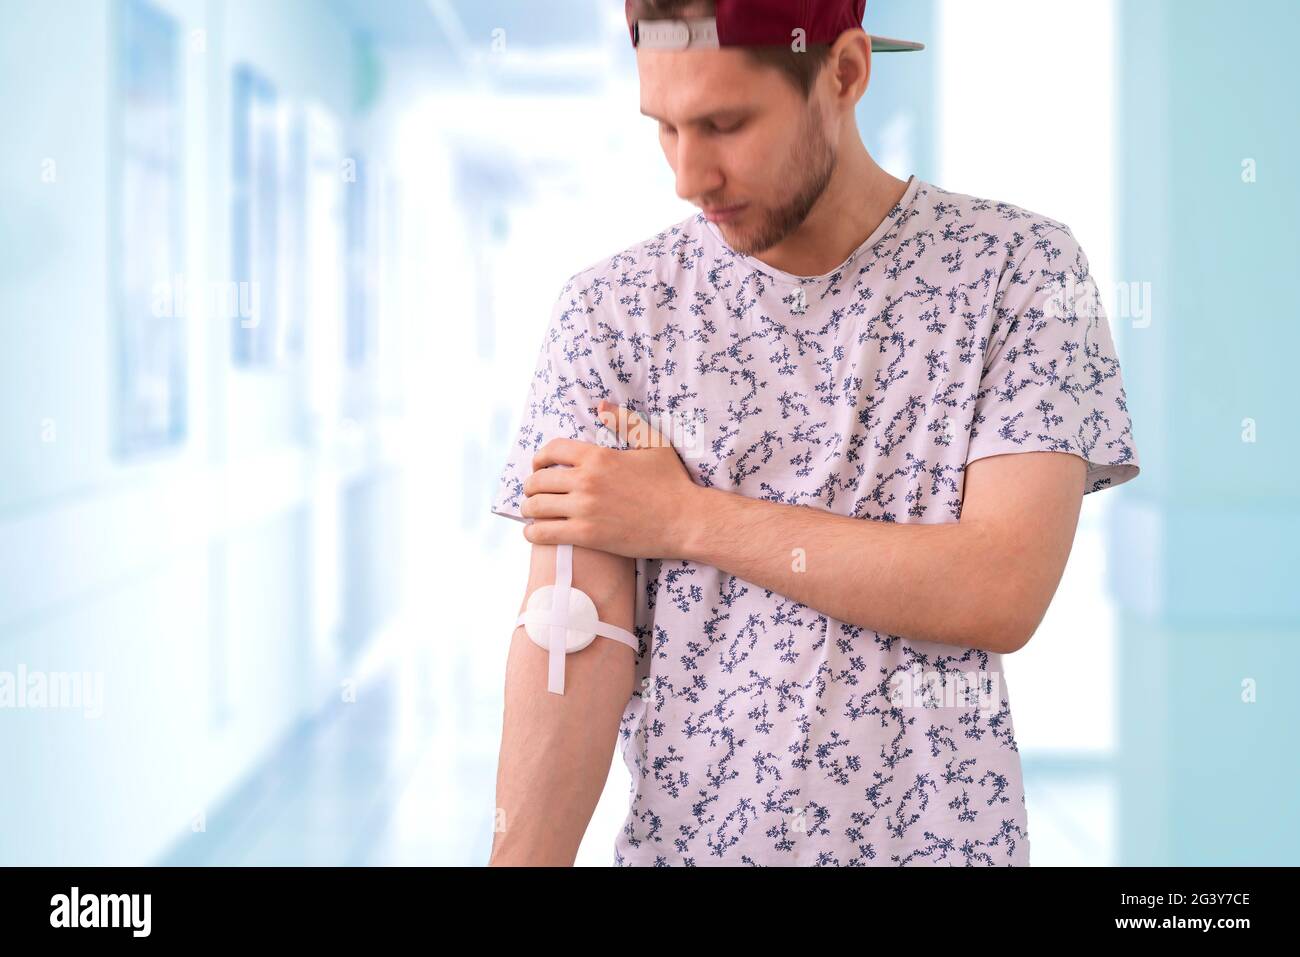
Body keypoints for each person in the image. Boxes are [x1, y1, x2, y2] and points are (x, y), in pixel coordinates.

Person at [487, 0, 1140, 866]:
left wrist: (687, 520)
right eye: (665, 128)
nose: (689, 176)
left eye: (724, 124)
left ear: (843, 73)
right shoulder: (612, 314)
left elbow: (1000, 587)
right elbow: (571, 626)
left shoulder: (1016, 272)